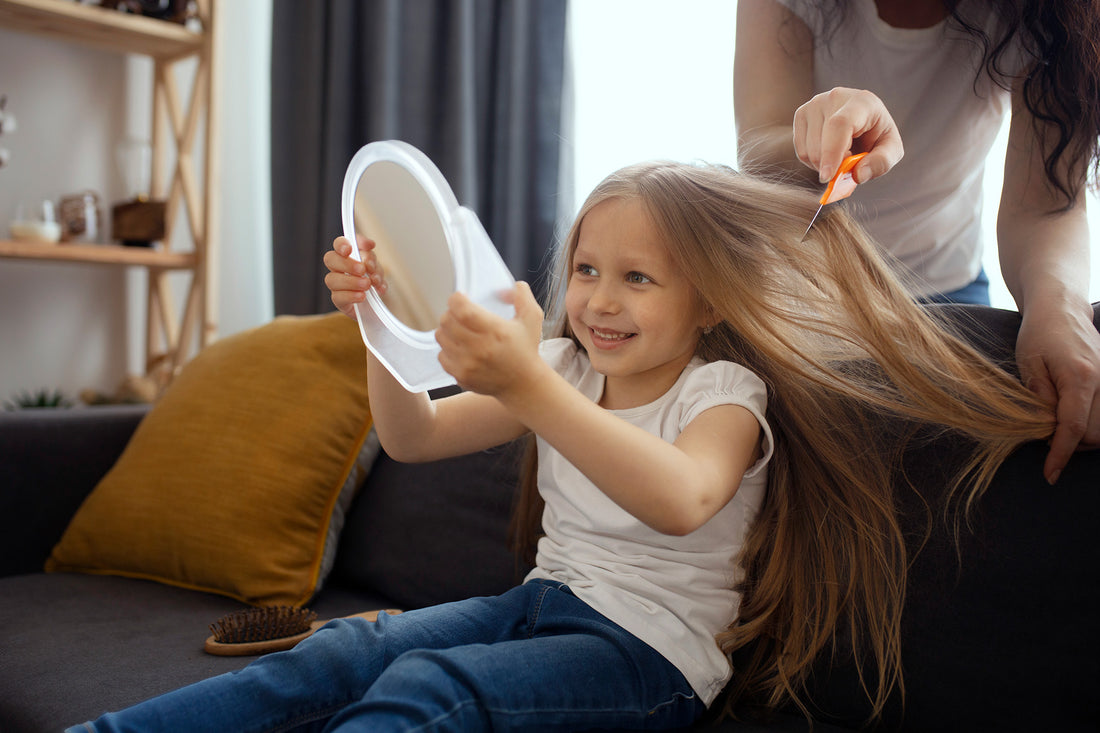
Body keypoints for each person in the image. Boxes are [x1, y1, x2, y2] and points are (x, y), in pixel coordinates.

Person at [69, 162, 1055, 731]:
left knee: (424, 688)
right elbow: (410, 435)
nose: (597, 298)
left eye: (637, 277)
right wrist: (378, 323)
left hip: (646, 656)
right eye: (586, 269)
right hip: (538, 604)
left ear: (707, 301)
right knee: (343, 652)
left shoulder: (723, 394)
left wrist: (530, 382)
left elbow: (677, 497)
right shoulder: (567, 370)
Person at [734, 0, 1100, 485]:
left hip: (950, 295)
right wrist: (820, 135)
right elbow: (759, 157)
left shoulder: (1054, 14)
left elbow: (1045, 205)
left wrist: (1061, 306)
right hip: (801, 299)